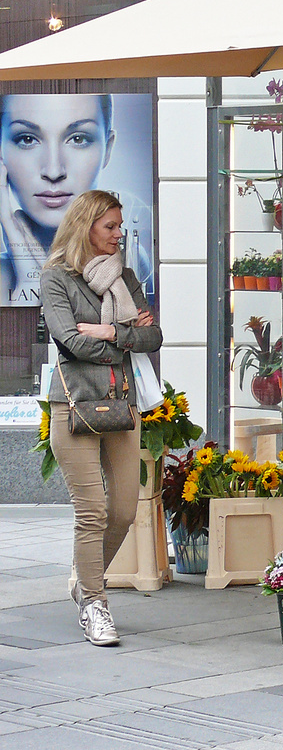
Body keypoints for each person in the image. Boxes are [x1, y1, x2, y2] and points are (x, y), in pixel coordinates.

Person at [39, 189, 162, 647]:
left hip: (122, 402)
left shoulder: (124, 277)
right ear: (85, 226)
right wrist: (129, 336)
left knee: (125, 509)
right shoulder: (56, 278)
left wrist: (110, 330)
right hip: (72, 406)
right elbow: (69, 341)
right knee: (91, 512)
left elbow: (156, 338)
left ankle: (84, 577)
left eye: (119, 226)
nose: (117, 234)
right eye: (109, 226)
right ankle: (94, 602)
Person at [0, 94, 122, 305]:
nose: (54, 171)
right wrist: (29, 282)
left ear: (107, 149)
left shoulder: (130, 267)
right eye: (27, 139)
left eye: (78, 139)